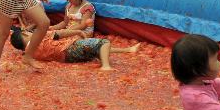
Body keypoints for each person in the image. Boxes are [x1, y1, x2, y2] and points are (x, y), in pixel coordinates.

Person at [9, 26, 140, 70]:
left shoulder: (29, 53)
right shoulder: (38, 37)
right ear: (25, 33)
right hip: (69, 48)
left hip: (68, 58)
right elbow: (60, 33)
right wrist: (77, 31)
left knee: (96, 50)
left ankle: (128, 50)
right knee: (103, 43)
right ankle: (106, 66)